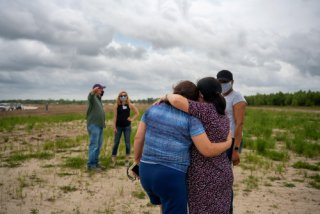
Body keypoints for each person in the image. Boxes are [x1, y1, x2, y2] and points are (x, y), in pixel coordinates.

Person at [134, 80, 232, 214]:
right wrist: (228, 144)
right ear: (194, 99)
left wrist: (137, 161)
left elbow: (138, 138)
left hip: (146, 172)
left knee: (164, 206)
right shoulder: (192, 118)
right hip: (171, 175)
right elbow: (207, 149)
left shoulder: (152, 108)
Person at [165, 77, 233, 214]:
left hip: (203, 177)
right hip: (223, 172)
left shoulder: (204, 110)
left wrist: (166, 95)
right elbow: (228, 134)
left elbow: (177, 100)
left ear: (201, 94)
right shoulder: (223, 113)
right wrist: (227, 144)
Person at [217, 70, 247, 214]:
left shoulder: (237, 97)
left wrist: (236, 150)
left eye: (225, 82)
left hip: (233, 140)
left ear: (232, 82)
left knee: (226, 178)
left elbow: (239, 124)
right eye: (220, 82)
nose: (222, 85)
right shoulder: (218, 97)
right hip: (221, 140)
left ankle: (228, 209)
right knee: (220, 176)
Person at [112, 91, 139, 167]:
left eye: (124, 95)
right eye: (121, 96)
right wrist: (114, 126)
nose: (123, 97)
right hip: (118, 127)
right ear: (119, 97)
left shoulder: (130, 105)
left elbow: (137, 113)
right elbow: (115, 117)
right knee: (116, 143)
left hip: (127, 127)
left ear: (127, 97)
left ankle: (126, 160)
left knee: (127, 143)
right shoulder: (116, 105)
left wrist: (132, 119)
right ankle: (113, 160)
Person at [86, 83, 106, 171]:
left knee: (98, 145)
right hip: (94, 125)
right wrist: (93, 91)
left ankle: (96, 163)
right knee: (94, 145)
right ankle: (91, 165)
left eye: (102, 89)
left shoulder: (98, 99)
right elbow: (90, 96)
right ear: (96, 90)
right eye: (101, 89)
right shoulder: (93, 98)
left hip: (100, 125)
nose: (102, 91)